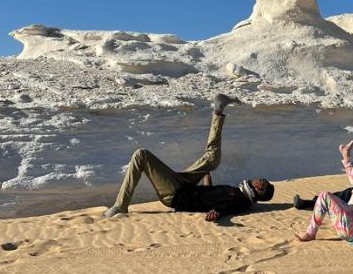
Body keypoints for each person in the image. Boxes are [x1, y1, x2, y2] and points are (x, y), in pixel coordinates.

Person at [102, 94, 274, 221]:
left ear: (258, 191)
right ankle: (218, 109)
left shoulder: (241, 201)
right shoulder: (238, 191)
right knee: (212, 159)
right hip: (187, 186)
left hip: (176, 194)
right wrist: (206, 176)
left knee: (141, 155)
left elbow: (226, 206)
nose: (260, 178)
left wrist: (217, 213)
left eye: (262, 182)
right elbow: (210, 195)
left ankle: (121, 205)